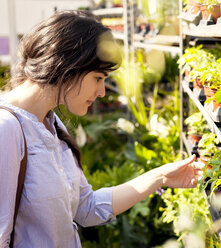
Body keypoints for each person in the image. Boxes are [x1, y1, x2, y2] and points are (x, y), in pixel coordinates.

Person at [0, 10, 201, 247]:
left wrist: (161, 177)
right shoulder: (7, 129)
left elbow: (87, 207)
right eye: (98, 77)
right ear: (68, 65)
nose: (102, 91)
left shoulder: (49, 121)